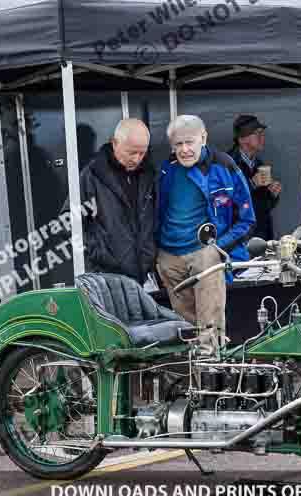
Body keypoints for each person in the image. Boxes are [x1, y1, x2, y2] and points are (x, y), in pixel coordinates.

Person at [155, 115, 256, 348]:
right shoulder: (165, 169)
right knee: (184, 333)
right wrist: (158, 254)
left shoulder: (225, 165)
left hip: (206, 255)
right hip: (169, 257)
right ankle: (188, 382)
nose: (184, 149)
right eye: (178, 144)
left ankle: (212, 381)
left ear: (204, 138)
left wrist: (218, 248)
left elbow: (248, 220)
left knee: (209, 334)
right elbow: (154, 213)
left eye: (189, 142)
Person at [61, 118, 157, 285]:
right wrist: (97, 250)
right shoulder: (92, 175)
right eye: (131, 152)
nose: (136, 159)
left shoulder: (149, 174)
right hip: (106, 275)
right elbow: (68, 221)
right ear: (114, 143)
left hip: (143, 274)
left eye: (142, 153)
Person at [228, 115, 281, 241]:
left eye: (262, 133)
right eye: (257, 134)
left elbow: (265, 206)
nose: (262, 137)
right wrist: (251, 184)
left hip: (261, 236)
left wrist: (273, 194)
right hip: (239, 238)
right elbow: (224, 203)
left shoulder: (259, 165)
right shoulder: (227, 165)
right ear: (241, 139)